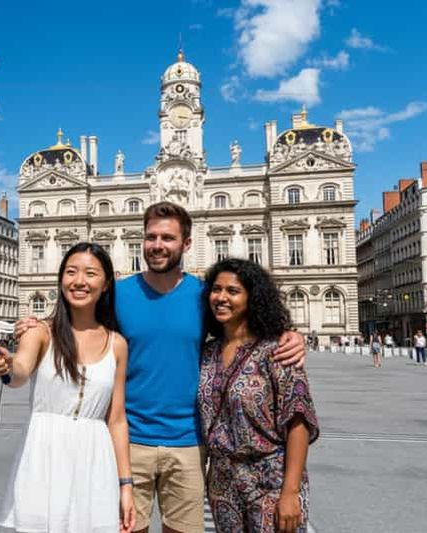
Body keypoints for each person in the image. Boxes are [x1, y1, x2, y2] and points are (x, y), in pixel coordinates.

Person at [15, 202, 306, 532]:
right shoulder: (119, 294)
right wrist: (35, 325)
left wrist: (291, 334)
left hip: (188, 441)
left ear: (186, 243)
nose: (157, 245)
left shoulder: (205, 297)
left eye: (167, 238)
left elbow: (245, 330)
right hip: (128, 442)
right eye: (151, 236)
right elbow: (79, 320)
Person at [0, 243, 135, 533]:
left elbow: (116, 420)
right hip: (46, 455)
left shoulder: (117, 344)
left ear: (105, 285)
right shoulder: (40, 331)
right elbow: (19, 372)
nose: (79, 281)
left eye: (90, 273)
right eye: (71, 272)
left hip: (96, 458)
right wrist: (3, 368)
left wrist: (125, 484)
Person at [199, 258, 319, 533]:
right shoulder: (208, 353)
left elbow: (298, 421)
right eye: (216, 290)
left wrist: (290, 492)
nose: (221, 298)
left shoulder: (277, 350)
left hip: (271, 479)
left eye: (233, 291)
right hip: (222, 481)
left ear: (253, 298)